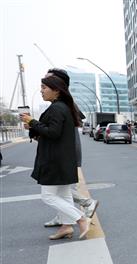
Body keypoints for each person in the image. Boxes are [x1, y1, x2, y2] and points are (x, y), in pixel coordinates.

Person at [20, 75, 90, 240]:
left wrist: (32, 122)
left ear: (56, 90)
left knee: (48, 196)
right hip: (62, 160)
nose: (41, 90)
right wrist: (33, 124)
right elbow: (51, 130)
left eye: (44, 87)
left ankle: (81, 218)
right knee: (64, 195)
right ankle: (66, 228)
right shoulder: (63, 107)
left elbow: (53, 132)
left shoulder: (57, 108)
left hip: (54, 160)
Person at [42, 68, 98, 227]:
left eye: (47, 80)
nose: (43, 84)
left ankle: (83, 206)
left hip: (66, 152)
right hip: (65, 152)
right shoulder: (61, 103)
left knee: (58, 189)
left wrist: (36, 126)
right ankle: (65, 219)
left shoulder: (64, 104)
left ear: (58, 84)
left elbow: (58, 133)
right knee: (60, 188)